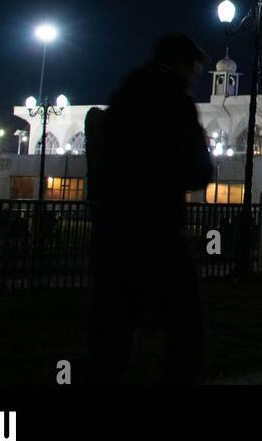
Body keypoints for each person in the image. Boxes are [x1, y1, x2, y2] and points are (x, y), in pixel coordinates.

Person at [88, 33, 214, 384]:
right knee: (185, 326)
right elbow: (198, 170)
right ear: (181, 63)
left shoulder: (125, 95)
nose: (195, 72)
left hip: (114, 226)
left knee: (112, 326)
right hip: (157, 228)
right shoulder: (175, 101)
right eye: (193, 65)